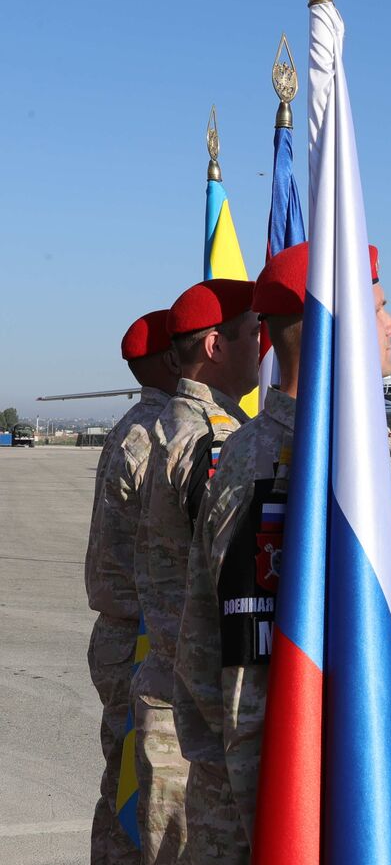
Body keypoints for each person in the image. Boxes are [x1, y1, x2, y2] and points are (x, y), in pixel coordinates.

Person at [173, 242, 391, 861]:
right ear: (336, 323)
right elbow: (253, 697)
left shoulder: (336, 459)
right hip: (295, 810)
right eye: (377, 308)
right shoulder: (272, 471)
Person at [133, 279, 260, 863]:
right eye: (254, 333)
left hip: (168, 680)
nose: (265, 346)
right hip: (197, 700)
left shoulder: (171, 424)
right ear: (215, 346)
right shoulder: (215, 439)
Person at [86, 310, 179, 865]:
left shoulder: (132, 425)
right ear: (173, 359)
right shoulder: (155, 435)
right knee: (144, 799)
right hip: (140, 636)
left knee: (123, 788)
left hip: (120, 631)